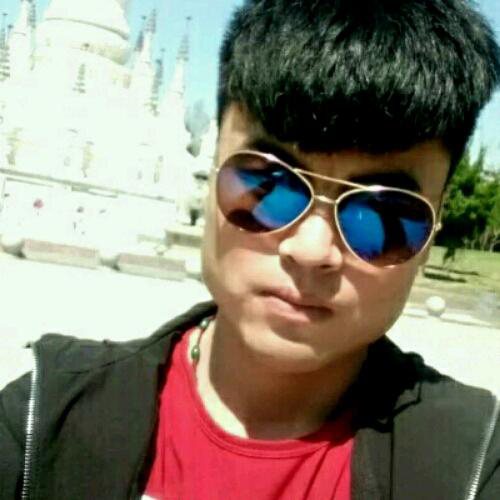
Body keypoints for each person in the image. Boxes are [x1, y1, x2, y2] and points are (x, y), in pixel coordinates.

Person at [1, 1, 499, 498]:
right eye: (268, 185)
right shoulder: (42, 424)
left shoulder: (471, 468)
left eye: (383, 216)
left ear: (433, 233)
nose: (311, 249)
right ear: (210, 167)